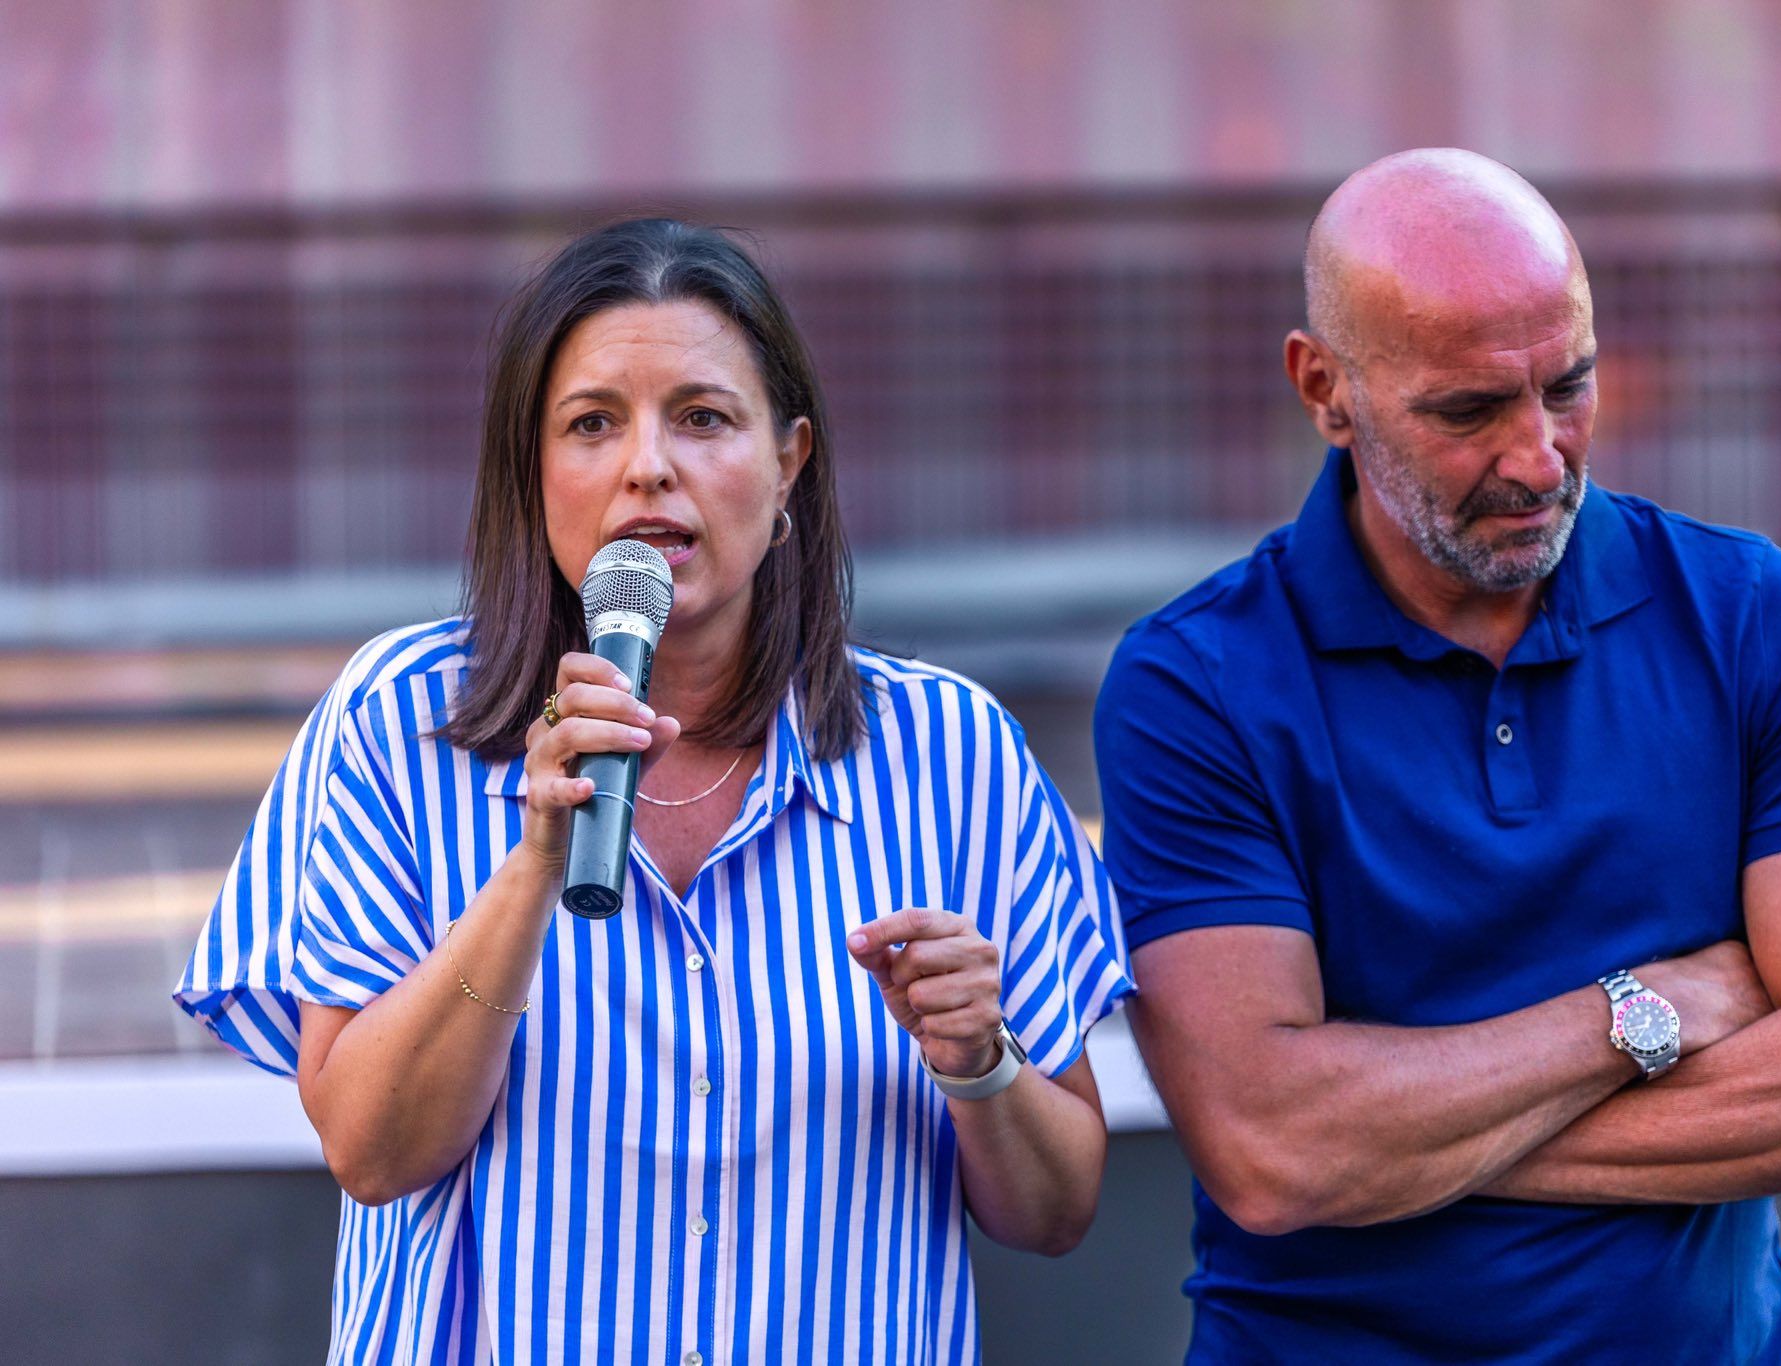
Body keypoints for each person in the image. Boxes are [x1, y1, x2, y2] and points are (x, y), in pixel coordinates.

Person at [176, 218, 1131, 1365]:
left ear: (790, 462)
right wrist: (531, 868)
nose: (646, 466)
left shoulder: (950, 756)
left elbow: (1057, 1208)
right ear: (532, 477)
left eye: (702, 417)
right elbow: (372, 1154)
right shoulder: (399, 722)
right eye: (591, 423)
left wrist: (978, 1059)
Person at [1093, 149, 1781, 1364]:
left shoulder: (1763, 618)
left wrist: (1408, 1147)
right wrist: (1647, 1012)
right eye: (1466, 409)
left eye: (1568, 385)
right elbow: (1274, 1154)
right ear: (1323, 387)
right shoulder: (1195, 683)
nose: (1539, 456)